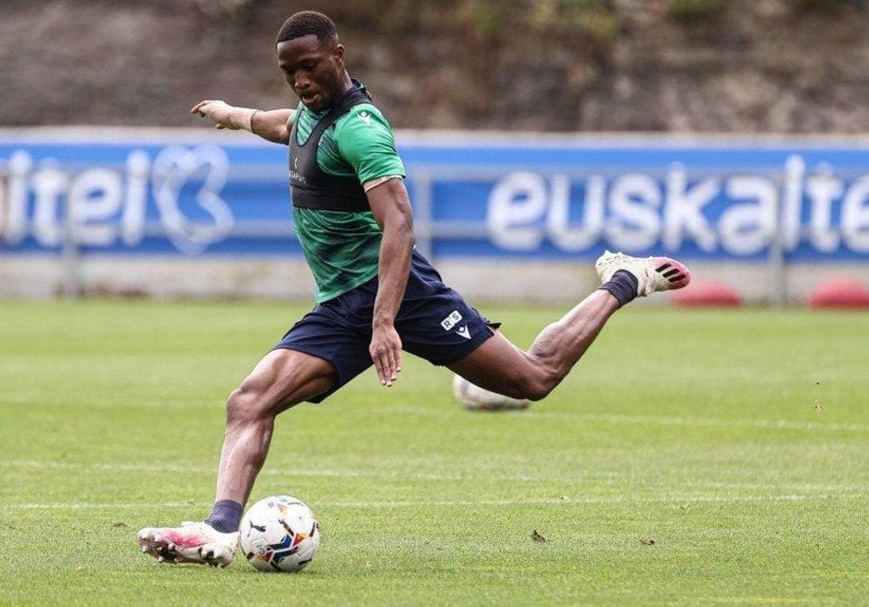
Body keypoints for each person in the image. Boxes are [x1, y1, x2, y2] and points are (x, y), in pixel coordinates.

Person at [137, 10, 690, 567]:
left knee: (533, 378)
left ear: (339, 56)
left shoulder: (361, 128)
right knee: (250, 401)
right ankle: (218, 532)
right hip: (341, 306)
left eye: (308, 68)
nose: (300, 81)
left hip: (404, 297)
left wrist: (384, 322)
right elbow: (284, 127)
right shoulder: (310, 116)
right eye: (289, 73)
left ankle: (625, 278)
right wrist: (233, 115)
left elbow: (399, 224)